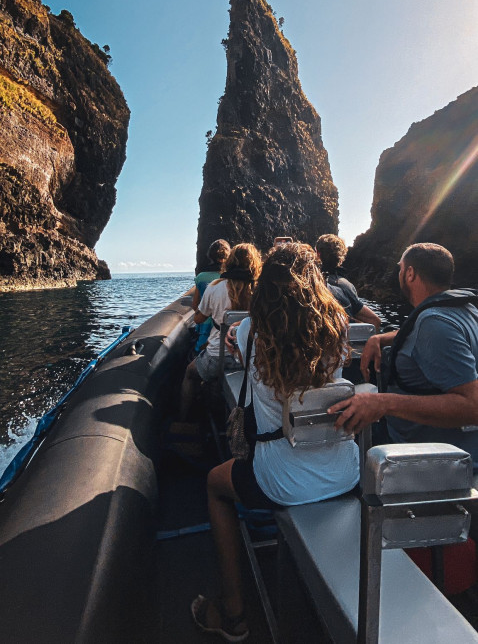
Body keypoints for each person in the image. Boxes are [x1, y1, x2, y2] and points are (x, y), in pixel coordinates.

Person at [191, 242, 359, 642]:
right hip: (345, 471)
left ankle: (233, 614)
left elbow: (241, 344)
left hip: (280, 479)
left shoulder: (249, 330)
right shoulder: (337, 327)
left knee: (216, 485)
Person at [329, 243, 478, 468]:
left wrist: (383, 403)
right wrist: (381, 338)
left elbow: (473, 406)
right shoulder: (465, 310)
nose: (399, 274)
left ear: (410, 273)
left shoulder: (433, 324)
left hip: (429, 460)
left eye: (400, 269)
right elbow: (431, 333)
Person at [179, 243, 262, 422]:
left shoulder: (215, 287)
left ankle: (184, 420)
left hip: (218, 356)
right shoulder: (260, 290)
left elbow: (199, 319)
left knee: (189, 374)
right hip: (252, 358)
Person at [315, 234, 381, 331]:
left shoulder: (312, 284)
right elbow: (375, 321)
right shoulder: (347, 286)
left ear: (318, 254)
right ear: (341, 257)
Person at [192, 240, 231, 353]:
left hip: (205, 324)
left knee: (200, 351)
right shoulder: (230, 279)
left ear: (210, 256)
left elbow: (195, 305)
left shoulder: (201, 277)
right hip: (225, 326)